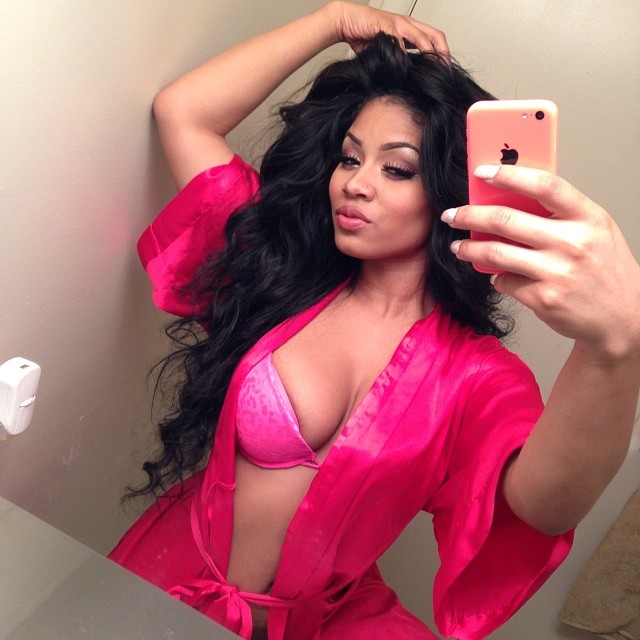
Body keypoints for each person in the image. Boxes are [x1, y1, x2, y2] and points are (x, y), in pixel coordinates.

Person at [109, 2, 640, 639]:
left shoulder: (476, 374)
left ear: (449, 189)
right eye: (349, 158)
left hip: (325, 623)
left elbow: (543, 509)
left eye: (396, 168)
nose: (355, 184)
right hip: (173, 576)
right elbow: (183, 112)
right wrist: (334, 19)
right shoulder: (281, 269)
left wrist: (613, 349)